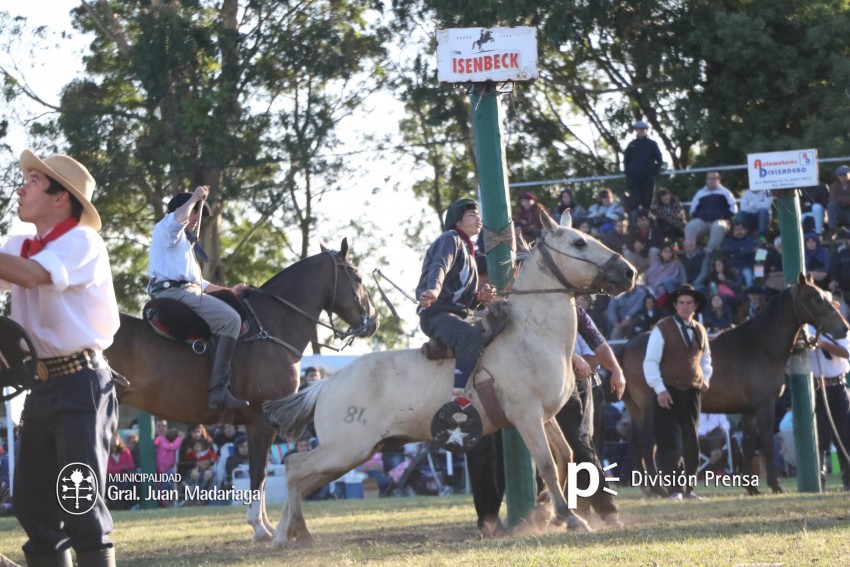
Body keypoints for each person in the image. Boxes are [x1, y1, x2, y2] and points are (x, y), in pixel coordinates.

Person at [0, 150, 121, 566]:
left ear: (60, 198)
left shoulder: (83, 241)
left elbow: (32, 275)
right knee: (34, 508)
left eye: (33, 180)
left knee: (80, 505)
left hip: (82, 385)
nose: (21, 186)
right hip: (43, 385)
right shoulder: (19, 245)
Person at [148, 186, 249, 410]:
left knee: (230, 305)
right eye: (196, 212)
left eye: (198, 214)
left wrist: (229, 291)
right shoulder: (167, 227)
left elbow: (199, 284)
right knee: (231, 320)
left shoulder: (183, 244)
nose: (196, 219)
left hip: (186, 291)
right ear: (179, 210)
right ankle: (219, 391)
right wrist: (195, 197)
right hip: (176, 294)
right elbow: (178, 219)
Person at [416, 198, 498, 435]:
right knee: (470, 337)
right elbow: (439, 266)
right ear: (458, 220)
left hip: (455, 314)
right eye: (472, 215)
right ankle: (459, 398)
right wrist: (433, 289)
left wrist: (481, 296)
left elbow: (467, 300)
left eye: (477, 214)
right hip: (436, 314)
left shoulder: (470, 252)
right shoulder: (450, 239)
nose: (478, 219)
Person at [643, 284, 713, 500]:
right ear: (675, 305)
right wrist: (660, 390)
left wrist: (706, 378)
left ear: (695, 306)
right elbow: (650, 362)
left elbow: (706, 358)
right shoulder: (662, 328)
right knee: (669, 442)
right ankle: (674, 490)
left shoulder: (700, 329)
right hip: (668, 391)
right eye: (681, 302)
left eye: (689, 303)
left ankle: (689, 489)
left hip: (692, 392)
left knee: (692, 442)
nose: (685, 306)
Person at [807, 312, 850, 491]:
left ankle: (848, 481)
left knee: (845, 435)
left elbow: (846, 352)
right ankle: (819, 482)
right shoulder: (806, 329)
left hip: (837, 385)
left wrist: (822, 343)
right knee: (819, 437)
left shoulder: (840, 328)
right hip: (815, 387)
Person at [684, 171, 737, 254]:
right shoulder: (700, 193)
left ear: (718, 180)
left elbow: (734, 209)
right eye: (709, 178)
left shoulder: (726, 192)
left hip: (719, 220)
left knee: (719, 227)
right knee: (690, 226)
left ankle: (708, 252)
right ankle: (690, 253)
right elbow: (692, 210)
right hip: (703, 222)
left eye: (713, 178)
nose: (711, 181)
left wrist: (722, 215)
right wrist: (701, 215)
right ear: (706, 180)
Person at [623, 120, 663, 217]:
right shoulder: (632, 145)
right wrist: (629, 174)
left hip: (647, 178)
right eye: (639, 129)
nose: (641, 131)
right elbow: (626, 161)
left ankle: (647, 223)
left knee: (647, 203)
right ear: (636, 130)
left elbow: (659, 160)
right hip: (634, 179)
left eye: (643, 129)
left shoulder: (652, 144)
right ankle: (634, 226)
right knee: (634, 204)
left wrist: (653, 172)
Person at [719, 221, 758, 288]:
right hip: (731, 267)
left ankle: (749, 293)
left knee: (748, 276)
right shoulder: (728, 241)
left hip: (746, 267)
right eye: (736, 229)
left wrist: (733, 252)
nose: (738, 231)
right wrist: (741, 249)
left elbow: (750, 251)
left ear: (745, 230)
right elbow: (724, 250)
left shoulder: (751, 240)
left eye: (740, 229)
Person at [105, 433, 136, 511]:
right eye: (112, 438)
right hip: (111, 478)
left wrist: (118, 468)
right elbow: (109, 469)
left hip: (124, 477)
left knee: (126, 482)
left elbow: (131, 466)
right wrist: (123, 467)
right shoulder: (106, 454)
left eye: (115, 438)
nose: (114, 440)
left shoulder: (126, 452)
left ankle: (128, 505)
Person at [828, 165, 850, 234]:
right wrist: (846, 199)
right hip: (840, 211)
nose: (843, 177)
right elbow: (832, 199)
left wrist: (840, 198)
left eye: (845, 174)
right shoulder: (834, 185)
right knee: (831, 205)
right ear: (837, 176)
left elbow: (837, 198)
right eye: (840, 175)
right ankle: (832, 231)